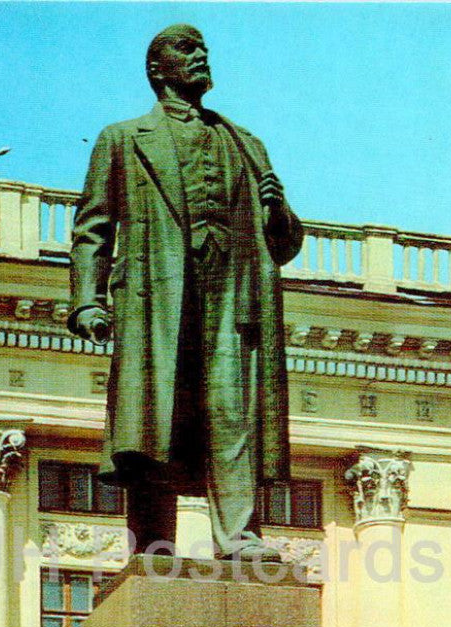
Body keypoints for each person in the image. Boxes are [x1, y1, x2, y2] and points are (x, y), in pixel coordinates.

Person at [69, 24, 303, 559]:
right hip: (156, 299)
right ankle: (153, 544)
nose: (200, 56)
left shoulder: (246, 143)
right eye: (186, 48)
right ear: (157, 70)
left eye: (204, 49)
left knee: (230, 410)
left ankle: (239, 538)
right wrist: (88, 298)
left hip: (232, 298)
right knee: (156, 419)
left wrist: (278, 211)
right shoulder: (123, 139)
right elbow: (93, 228)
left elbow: (283, 246)